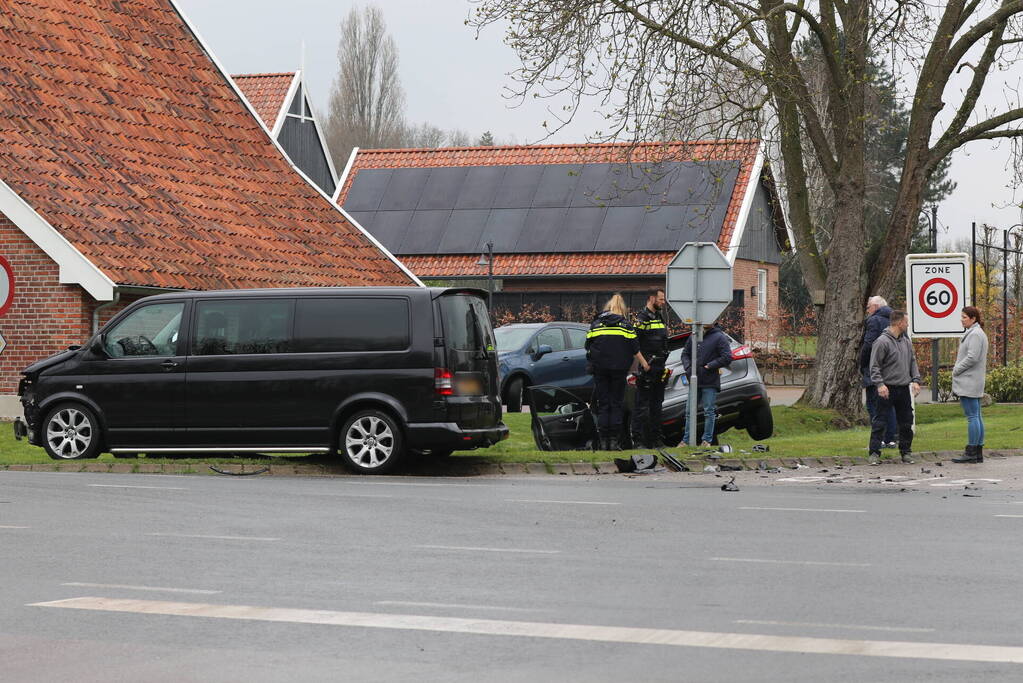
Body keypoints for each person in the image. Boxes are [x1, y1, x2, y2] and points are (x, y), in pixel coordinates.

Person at [586, 294, 649, 451]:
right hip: (619, 370)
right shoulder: (626, 326)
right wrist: (644, 364)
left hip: (600, 369)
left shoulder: (596, 325)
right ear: (622, 309)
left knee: (603, 404)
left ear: (608, 307)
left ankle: (602, 440)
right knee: (616, 404)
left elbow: (587, 345)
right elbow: (635, 348)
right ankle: (613, 441)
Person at [868, 309, 922, 464]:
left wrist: (916, 380)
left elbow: (912, 362)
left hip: (903, 388)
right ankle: (874, 453)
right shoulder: (882, 342)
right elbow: (875, 366)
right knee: (880, 422)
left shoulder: (905, 341)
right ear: (899, 323)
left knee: (906, 422)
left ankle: (906, 452)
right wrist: (880, 384)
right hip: (887, 388)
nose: (907, 324)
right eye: (906, 321)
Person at [681, 323, 733, 447]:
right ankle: (686, 441)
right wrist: (688, 368)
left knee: (709, 411)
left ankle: (706, 441)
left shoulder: (719, 337)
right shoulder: (694, 335)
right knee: (689, 412)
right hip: (694, 381)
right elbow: (685, 354)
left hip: (710, 381)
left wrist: (710, 366)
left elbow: (727, 357)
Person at [631, 288, 669, 448]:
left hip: (660, 367)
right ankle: (638, 441)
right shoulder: (642, 318)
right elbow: (633, 342)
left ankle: (656, 440)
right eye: (660, 299)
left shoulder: (659, 316)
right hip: (648, 367)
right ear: (652, 298)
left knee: (657, 405)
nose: (663, 302)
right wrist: (644, 363)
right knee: (641, 406)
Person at [952, 306, 989, 463]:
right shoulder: (977, 333)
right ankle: (977, 451)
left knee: (972, 416)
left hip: (969, 380)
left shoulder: (975, 334)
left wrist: (956, 369)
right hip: (973, 379)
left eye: (964, 317)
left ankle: (972, 451)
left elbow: (972, 357)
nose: (962, 319)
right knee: (976, 415)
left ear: (973, 319)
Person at [860, 296, 898, 448]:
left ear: (875, 306)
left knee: (873, 404)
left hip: (875, 368)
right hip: (891, 367)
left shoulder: (874, 320)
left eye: (869, 307)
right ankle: (891, 438)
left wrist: (862, 363)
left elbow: (868, 345)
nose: (867, 310)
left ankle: (879, 438)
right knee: (889, 404)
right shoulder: (894, 319)